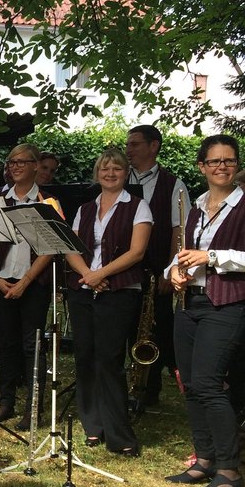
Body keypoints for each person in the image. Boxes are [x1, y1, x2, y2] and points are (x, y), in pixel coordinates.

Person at [165, 135, 245, 487]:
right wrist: (172, 272)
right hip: (190, 305)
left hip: (227, 305)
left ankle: (230, 471)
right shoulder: (194, 208)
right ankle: (205, 460)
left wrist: (211, 257)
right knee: (192, 385)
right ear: (202, 167)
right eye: (214, 161)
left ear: (237, 164)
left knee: (210, 384)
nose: (222, 167)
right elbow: (182, 255)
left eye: (229, 161)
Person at [64, 149, 151, 457]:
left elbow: (136, 252)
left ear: (125, 173)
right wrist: (88, 274)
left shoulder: (139, 207)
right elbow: (71, 248)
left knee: (109, 359)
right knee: (85, 355)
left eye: (116, 168)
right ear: (97, 173)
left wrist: (101, 273)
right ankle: (93, 424)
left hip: (120, 290)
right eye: (105, 168)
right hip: (84, 288)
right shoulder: (85, 209)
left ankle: (119, 433)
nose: (110, 173)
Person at [0, 144, 55, 430]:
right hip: (2, 278)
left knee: (31, 345)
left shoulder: (47, 201)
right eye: (11, 162)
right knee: (7, 342)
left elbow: (51, 248)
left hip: (33, 283)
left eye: (22, 162)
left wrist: (25, 282)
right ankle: (6, 401)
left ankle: (33, 407)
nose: (15, 167)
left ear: (36, 166)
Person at [126, 124, 189, 406]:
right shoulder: (119, 175)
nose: (129, 150)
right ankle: (127, 385)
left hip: (155, 270)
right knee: (126, 327)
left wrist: (170, 267)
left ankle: (149, 391)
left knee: (155, 329)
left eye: (135, 144)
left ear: (154, 146)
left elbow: (180, 229)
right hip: (122, 268)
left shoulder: (173, 184)